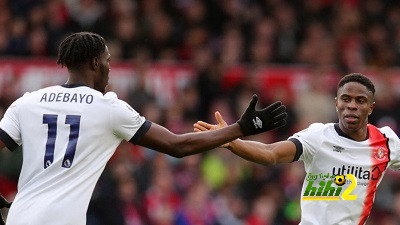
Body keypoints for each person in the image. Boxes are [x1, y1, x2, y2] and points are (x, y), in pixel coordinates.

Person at [0, 32, 288, 225]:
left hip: (19, 218)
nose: (110, 69)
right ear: (94, 63)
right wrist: (241, 127)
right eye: (107, 61)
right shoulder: (108, 108)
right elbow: (177, 145)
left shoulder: (27, 102)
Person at [194, 73, 400, 225]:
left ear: (371, 107)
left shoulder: (386, 141)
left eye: (360, 100)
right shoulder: (318, 136)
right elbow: (270, 153)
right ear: (336, 103)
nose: (352, 105)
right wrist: (231, 141)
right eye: (346, 99)